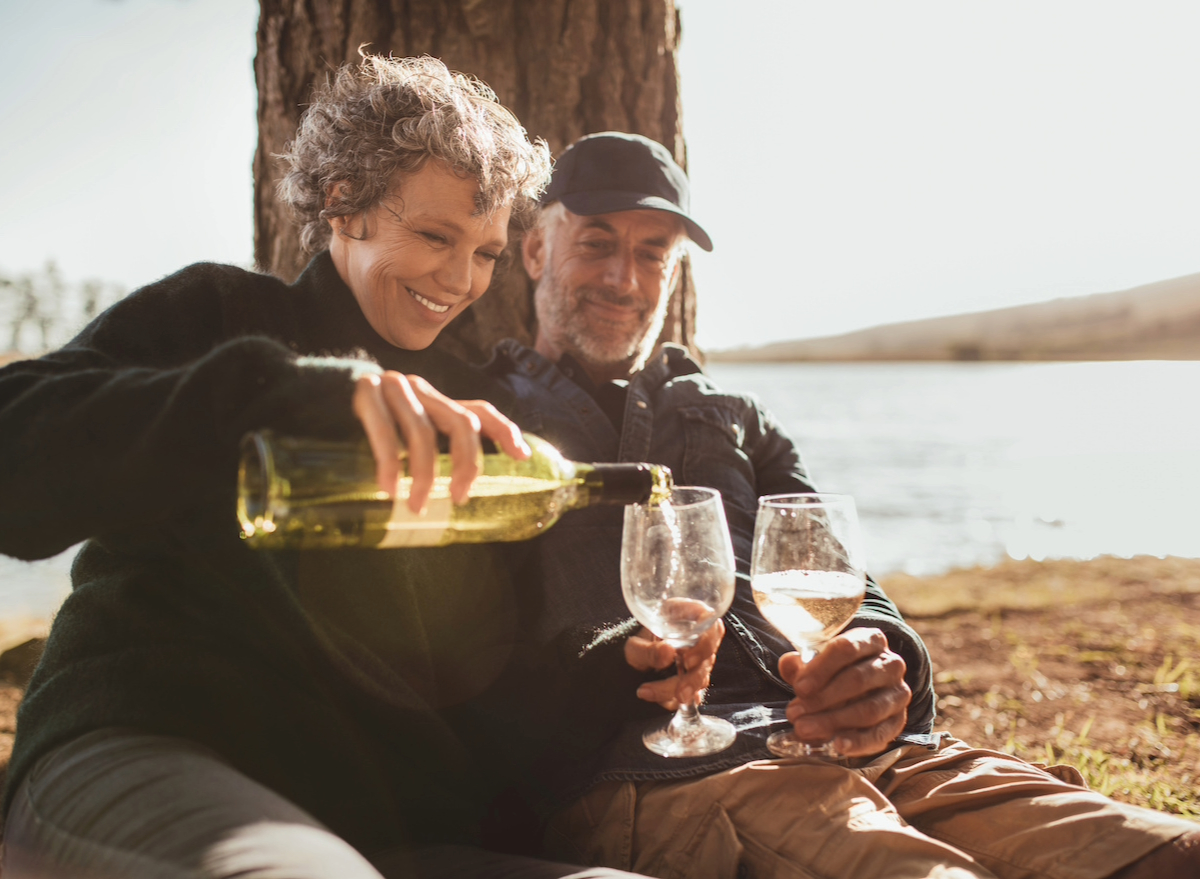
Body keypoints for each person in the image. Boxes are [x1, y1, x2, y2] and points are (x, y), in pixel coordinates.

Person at [482, 131, 1200, 879]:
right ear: (534, 249)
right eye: (596, 243)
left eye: (654, 252)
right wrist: (602, 674)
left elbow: (848, 585)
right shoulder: (482, 418)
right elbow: (470, 682)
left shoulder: (730, 413)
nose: (624, 277)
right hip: (669, 777)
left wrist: (888, 674)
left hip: (874, 755)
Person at [0, 56, 646, 879]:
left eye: (484, 252)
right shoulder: (225, 318)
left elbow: (481, 694)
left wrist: (609, 676)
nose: (459, 281)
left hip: (387, 836)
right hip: (141, 752)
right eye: (436, 236)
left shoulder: (480, 413)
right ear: (344, 202)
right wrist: (282, 397)